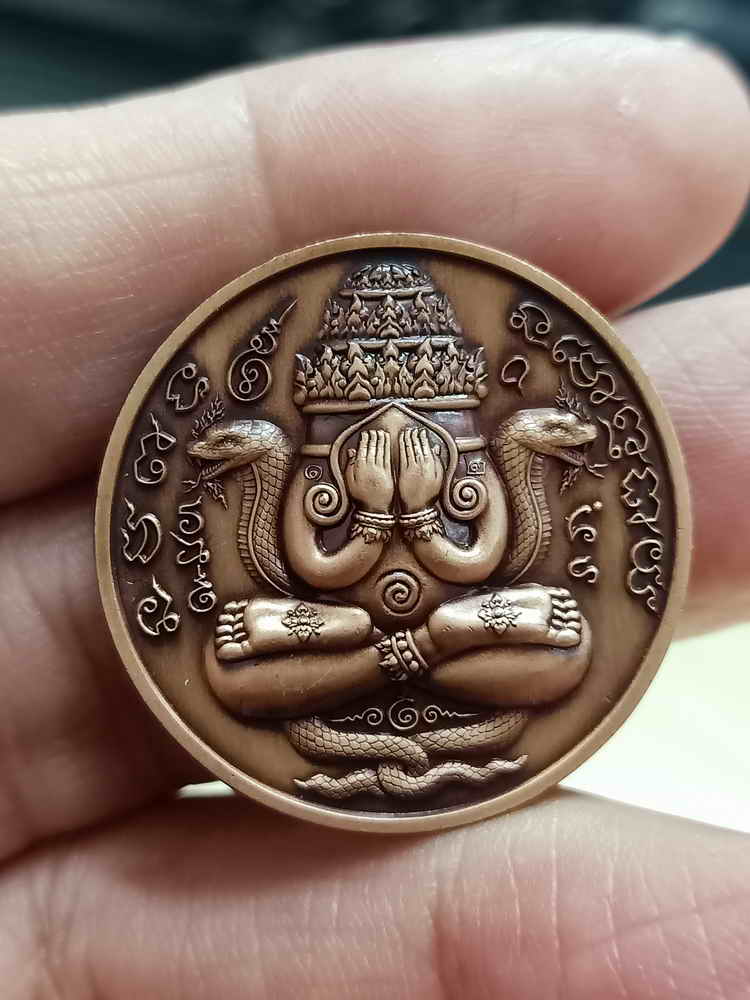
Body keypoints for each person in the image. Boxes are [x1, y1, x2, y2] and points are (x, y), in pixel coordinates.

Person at [0, 25, 748, 998]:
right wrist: (362, 551)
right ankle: (394, 657)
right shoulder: (317, 477)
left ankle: (408, 655)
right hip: (361, 633)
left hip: (456, 631)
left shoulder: (477, 471)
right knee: (228, 656)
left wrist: (437, 540)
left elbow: (488, 562)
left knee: (563, 645)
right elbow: (307, 574)